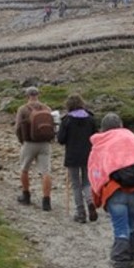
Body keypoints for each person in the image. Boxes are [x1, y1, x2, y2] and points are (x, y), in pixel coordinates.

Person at [88, 112, 134, 268]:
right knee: (131, 226)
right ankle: (131, 261)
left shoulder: (101, 144)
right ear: (121, 125)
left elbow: (95, 171)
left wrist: (96, 198)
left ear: (103, 128)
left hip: (115, 192)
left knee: (120, 229)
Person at [57, 94, 99, 222]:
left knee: (76, 184)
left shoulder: (67, 120)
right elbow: (96, 137)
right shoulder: (90, 119)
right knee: (87, 182)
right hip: (88, 155)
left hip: (72, 156)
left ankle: (81, 213)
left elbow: (61, 139)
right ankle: (90, 201)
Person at [13, 86, 55, 209]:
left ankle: (26, 196)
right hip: (45, 143)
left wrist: (22, 141)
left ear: (27, 96)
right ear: (38, 95)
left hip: (29, 143)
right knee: (46, 172)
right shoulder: (47, 108)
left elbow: (17, 128)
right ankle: (46, 201)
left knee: (24, 169)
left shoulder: (23, 109)